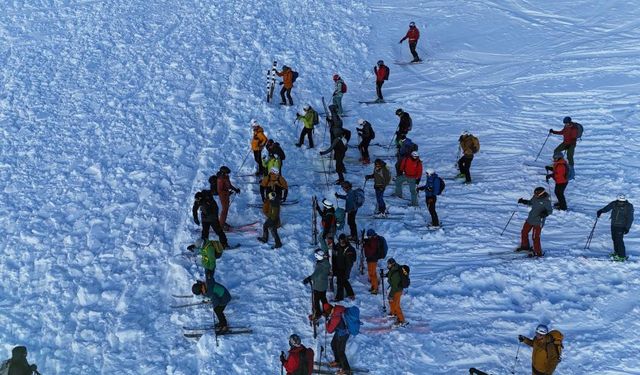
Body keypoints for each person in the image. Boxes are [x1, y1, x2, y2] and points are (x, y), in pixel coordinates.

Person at [517, 187, 553, 257]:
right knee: (524, 232)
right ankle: (525, 246)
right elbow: (531, 202)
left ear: (541, 194)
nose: (535, 196)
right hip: (530, 219)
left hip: (538, 222)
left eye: (537, 194)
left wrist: (545, 213)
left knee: (535, 237)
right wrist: (523, 201)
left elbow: (550, 211)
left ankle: (538, 253)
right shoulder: (535, 197)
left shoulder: (546, 201)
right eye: (535, 194)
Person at [597, 195, 634, 261]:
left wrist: (627, 228)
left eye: (622, 201)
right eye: (620, 201)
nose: (621, 203)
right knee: (614, 239)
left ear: (625, 201)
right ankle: (617, 253)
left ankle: (622, 256)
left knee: (619, 241)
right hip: (613, 225)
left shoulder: (629, 207)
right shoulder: (614, 203)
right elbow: (608, 208)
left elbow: (630, 218)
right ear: (617, 200)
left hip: (621, 226)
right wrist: (601, 211)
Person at [323, 302, 351, 375]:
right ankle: (338, 361)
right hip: (340, 332)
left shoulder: (335, 317)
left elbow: (329, 330)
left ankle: (346, 369)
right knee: (333, 344)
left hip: (343, 334)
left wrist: (327, 322)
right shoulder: (337, 309)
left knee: (340, 351)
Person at [303, 249, 331, 320]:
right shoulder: (326, 262)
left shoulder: (320, 266)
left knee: (316, 300)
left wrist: (308, 279)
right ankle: (326, 310)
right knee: (323, 298)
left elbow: (315, 274)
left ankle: (317, 313)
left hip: (318, 286)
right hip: (324, 284)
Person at [331, 234, 356, 301]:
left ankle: (339, 297)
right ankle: (351, 294)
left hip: (345, 269)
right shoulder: (338, 245)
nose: (341, 242)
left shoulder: (349, 249)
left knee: (340, 282)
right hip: (338, 267)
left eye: (343, 241)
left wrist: (347, 272)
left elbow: (350, 262)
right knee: (344, 281)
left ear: (345, 240)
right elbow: (335, 249)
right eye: (340, 241)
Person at [216, 166, 240, 231]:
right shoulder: (220, 179)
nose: (227, 174)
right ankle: (221, 226)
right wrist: (228, 193)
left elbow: (229, 185)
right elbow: (220, 190)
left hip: (226, 195)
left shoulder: (226, 177)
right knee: (224, 210)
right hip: (223, 196)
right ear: (223, 173)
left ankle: (222, 222)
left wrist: (235, 189)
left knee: (226, 210)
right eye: (226, 173)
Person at [386, 258, 408, 327]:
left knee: (396, 305)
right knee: (390, 300)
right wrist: (385, 275)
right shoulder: (394, 268)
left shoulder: (396, 273)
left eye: (388, 264)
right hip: (394, 288)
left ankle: (402, 320)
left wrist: (391, 295)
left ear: (392, 264)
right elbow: (390, 273)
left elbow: (395, 287)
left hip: (397, 290)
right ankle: (393, 313)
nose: (388, 265)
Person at [362, 229, 385, 294]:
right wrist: (365, 242)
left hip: (372, 259)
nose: (368, 237)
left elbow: (371, 250)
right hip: (371, 259)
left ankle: (375, 288)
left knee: (372, 274)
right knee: (371, 273)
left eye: (369, 235)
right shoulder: (374, 239)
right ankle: (374, 286)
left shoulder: (374, 241)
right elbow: (369, 243)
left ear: (371, 235)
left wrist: (365, 245)